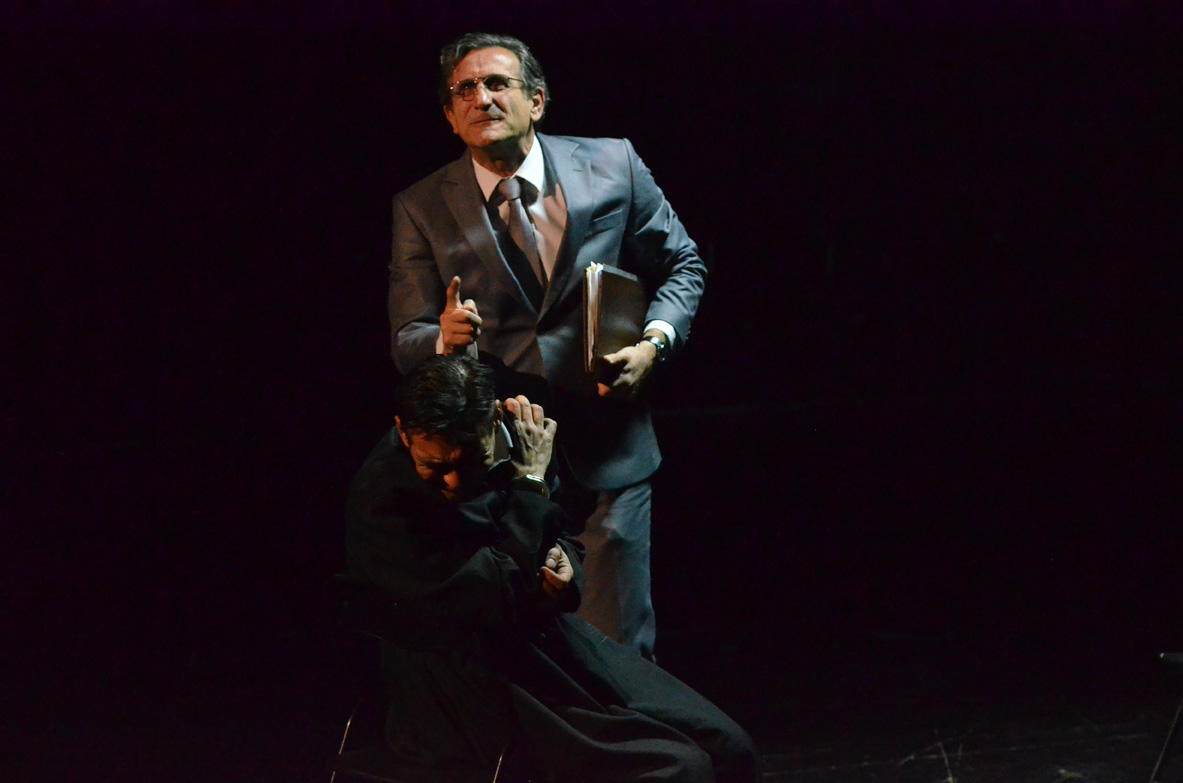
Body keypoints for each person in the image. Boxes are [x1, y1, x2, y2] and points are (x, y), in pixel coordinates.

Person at [387, 31, 708, 660]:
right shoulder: (421, 206)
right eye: (464, 90)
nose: (481, 98)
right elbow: (407, 340)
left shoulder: (613, 164)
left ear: (537, 100)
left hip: (608, 442)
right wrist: (443, 338)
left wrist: (655, 343)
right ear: (450, 117)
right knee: (529, 652)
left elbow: (683, 264)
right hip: (500, 468)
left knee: (618, 650)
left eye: (497, 83)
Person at [346, 354, 759, 782]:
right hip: (464, 676)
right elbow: (489, 595)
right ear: (403, 432)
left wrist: (563, 568)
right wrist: (530, 485)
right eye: (435, 466)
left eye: (469, 461)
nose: (453, 482)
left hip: (546, 644)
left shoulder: (524, 441)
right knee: (679, 769)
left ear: (493, 422)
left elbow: (562, 533)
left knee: (729, 747)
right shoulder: (383, 502)